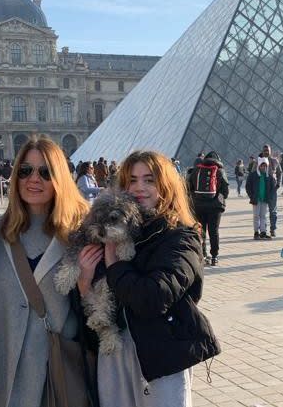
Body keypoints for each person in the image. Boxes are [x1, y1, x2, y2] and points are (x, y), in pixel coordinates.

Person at [93, 150, 220, 406]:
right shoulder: (116, 232)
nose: (139, 188)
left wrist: (113, 265)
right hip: (115, 354)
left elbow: (152, 297)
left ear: (165, 185)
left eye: (149, 180)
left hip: (161, 355)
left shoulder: (182, 237)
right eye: (132, 180)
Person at [0, 136, 97, 407]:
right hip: (5, 376)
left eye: (45, 172)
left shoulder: (81, 233)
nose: (33, 179)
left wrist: (85, 285)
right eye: (25, 170)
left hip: (58, 373)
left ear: (59, 177)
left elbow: (104, 309)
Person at [187, 151, 229, 266]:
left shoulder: (196, 170)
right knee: (213, 231)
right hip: (215, 206)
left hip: (199, 205)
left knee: (201, 230)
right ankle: (214, 256)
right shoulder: (220, 171)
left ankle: (203, 254)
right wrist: (219, 198)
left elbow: (188, 188)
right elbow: (225, 191)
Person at [246, 158, 276, 240]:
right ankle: (256, 232)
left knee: (263, 216)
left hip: (264, 199)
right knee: (256, 216)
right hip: (256, 199)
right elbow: (248, 186)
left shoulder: (268, 176)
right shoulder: (253, 175)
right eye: (262, 166)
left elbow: (273, 188)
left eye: (265, 166)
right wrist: (251, 196)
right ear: (259, 166)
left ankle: (263, 232)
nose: (263, 168)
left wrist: (269, 197)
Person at [261, 145, 282, 237]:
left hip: (272, 188)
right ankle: (264, 229)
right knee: (263, 211)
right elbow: (253, 173)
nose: (266, 152)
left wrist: (278, 183)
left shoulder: (274, 161)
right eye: (264, 150)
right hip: (262, 188)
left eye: (267, 150)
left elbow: (279, 172)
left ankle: (273, 229)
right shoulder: (259, 161)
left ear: (270, 151)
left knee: (273, 210)